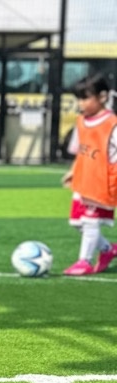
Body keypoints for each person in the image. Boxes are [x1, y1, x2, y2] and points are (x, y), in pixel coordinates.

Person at [62, 72, 117, 277]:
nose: (82, 103)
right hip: (83, 179)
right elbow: (80, 151)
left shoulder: (112, 124)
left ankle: (84, 261)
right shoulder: (81, 122)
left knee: (90, 221)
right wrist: (72, 172)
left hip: (103, 181)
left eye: (86, 98)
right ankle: (107, 250)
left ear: (102, 97)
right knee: (77, 222)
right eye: (79, 99)